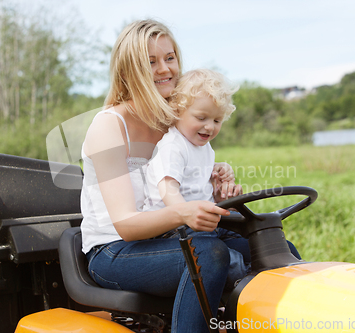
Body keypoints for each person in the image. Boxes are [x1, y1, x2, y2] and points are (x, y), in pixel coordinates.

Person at [80, 19, 238, 332]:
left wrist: (216, 185)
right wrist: (183, 211)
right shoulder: (109, 127)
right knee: (207, 254)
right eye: (151, 62)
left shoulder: (174, 121)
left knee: (264, 243)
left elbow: (188, 177)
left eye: (169, 58)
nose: (165, 69)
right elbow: (125, 224)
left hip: (167, 239)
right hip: (114, 251)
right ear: (129, 71)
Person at [143, 68, 250, 288]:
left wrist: (221, 188)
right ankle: (242, 283)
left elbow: (202, 187)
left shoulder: (204, 147)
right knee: (227, 258)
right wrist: (186, 215)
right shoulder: (173, 146)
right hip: (172, 229)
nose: (210, 126)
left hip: (201, 223)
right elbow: (167, 188)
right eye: (201, 118)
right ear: (177, 111)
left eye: (217, 120)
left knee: (256, 236)